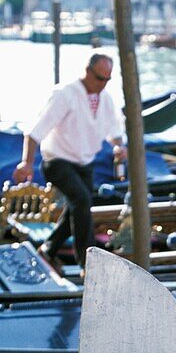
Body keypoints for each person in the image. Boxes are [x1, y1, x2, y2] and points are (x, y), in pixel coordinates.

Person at [12, 52, 126, 270]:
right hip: (57, 161)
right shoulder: (65, 94)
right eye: (100, 79)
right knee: (82, 201)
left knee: (78, 207)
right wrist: (26, 163)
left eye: (107, 80)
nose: (103, 85)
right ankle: (88, 264)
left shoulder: (106, 100)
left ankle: (48, 249)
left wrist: (118, 146)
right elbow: (35, 132)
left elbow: (114, 130)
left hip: (85, 163)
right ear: (87, 71)